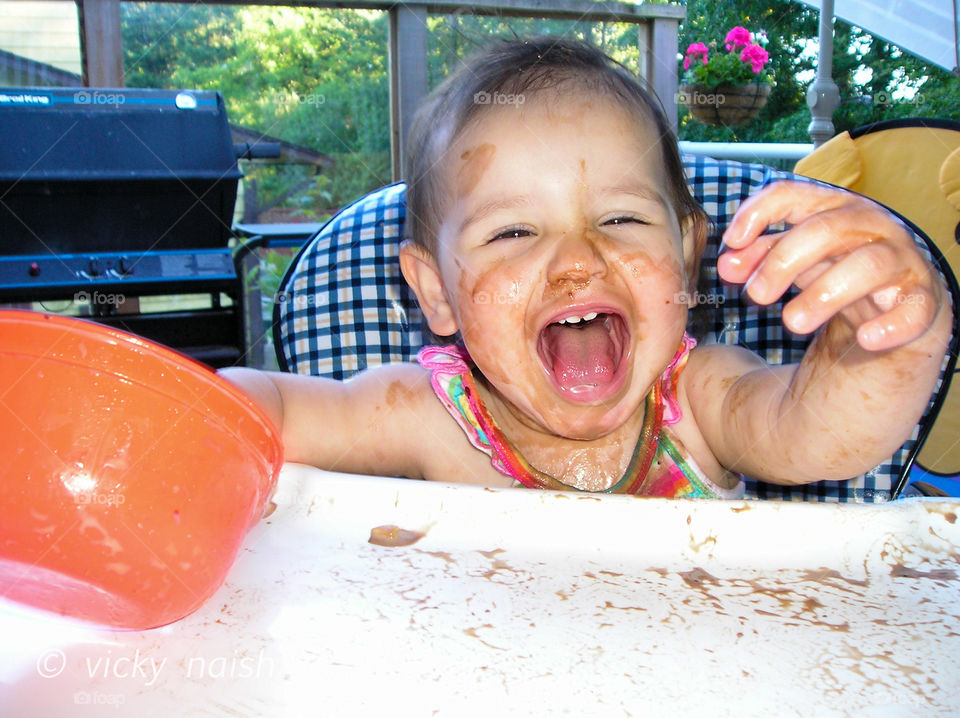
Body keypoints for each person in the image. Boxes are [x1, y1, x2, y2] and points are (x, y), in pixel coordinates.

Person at [221, 37, 952, 498]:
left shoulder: (700, 405)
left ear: (688, 257)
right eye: (512, 231)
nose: (576, 259)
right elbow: (275, 413)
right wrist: (155, 419)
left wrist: (890, 335)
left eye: (620, 219)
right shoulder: (426, 418)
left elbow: (821, 437)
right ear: (437, 292)